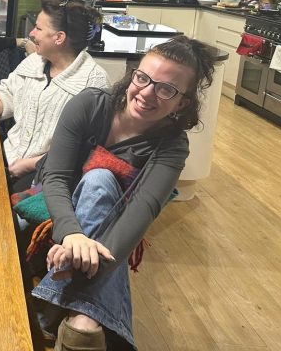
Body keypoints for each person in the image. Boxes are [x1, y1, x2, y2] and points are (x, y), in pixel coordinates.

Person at [30, 35, 217, 350]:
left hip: (104, 238)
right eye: (142, 78)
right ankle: (76, 323)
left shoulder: (171, 146)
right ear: (133, 74)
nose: (147, 93)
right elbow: (56, 177)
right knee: (100, 179)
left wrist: (77, 259)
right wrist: (72, 235)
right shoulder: (89, 104)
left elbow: (140, 213)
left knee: (100, 181)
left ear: (183, 102)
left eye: (166, 89)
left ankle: (74, 320)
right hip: (55, 215)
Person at [0, 0, 109, 188]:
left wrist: (31, 164)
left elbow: (86, 150)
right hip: (8, 157)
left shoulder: (94, 83)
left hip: (46, 175)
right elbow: (7, 94)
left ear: (59, 37)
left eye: (38, 29)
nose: (31, 34)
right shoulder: (34, 61)